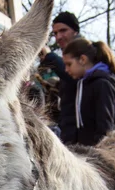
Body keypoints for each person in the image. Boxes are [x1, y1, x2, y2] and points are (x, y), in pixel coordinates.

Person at [62, 38, 115, 146]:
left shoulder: (102, 84)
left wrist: (98, 151)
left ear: (83, 59)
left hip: (97, 153)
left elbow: (105, 127)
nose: (66, 69)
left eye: (69, 64)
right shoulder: (82, 84)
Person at [39, 12, 81, 144]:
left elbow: (73, 78)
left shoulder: (85, 52)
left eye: (63, 31)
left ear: (75, 31)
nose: (58, 37)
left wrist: (50, 56)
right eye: (55, 33)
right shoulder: (66, 55)